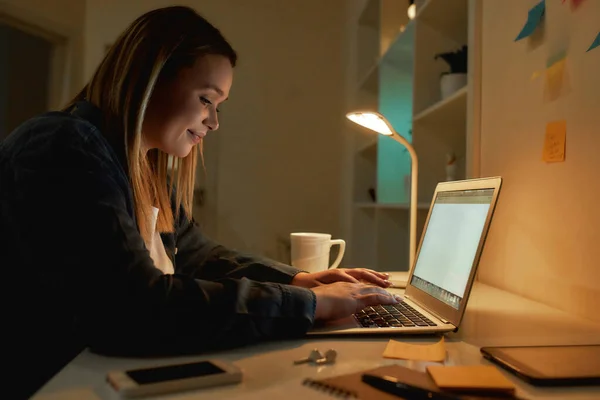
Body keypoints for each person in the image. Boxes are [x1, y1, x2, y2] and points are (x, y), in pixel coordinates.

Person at [0, 6, 399, 397]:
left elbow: (197, 253)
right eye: (207, 99)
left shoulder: (144, 166)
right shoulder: (65, 147)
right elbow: (133, 307)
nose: (214, 121)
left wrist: (296, 280)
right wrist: (306, 305)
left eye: (219, 106)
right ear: (148, 79)